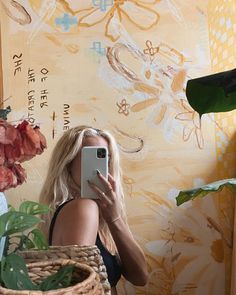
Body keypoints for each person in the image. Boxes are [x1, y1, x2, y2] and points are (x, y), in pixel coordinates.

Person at [39, 126, 148, 295]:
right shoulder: (82, 208)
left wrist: (115, 219)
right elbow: (80, 289)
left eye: (105, 158)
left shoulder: (101, 217)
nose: (100, 167)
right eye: (92, 156)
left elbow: (140, 277)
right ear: (68, 165)